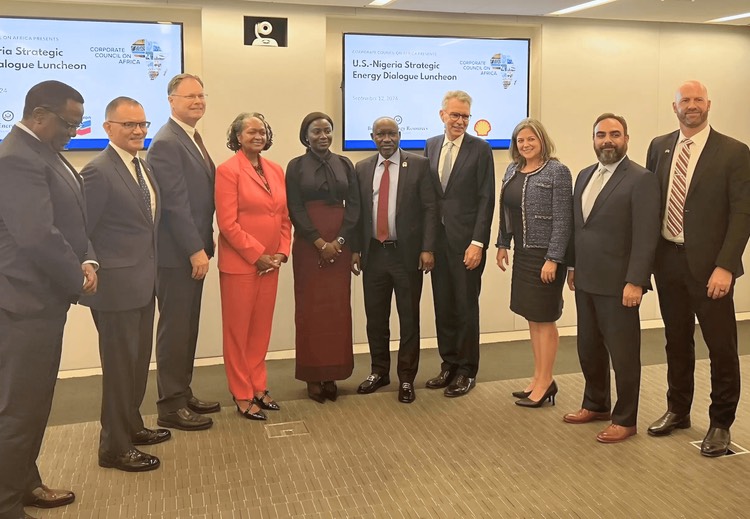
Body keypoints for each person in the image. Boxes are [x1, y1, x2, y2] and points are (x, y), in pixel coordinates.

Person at [0, 80, 97, 519]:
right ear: (40, 114)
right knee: (18, 409)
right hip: (24, 304)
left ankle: (26, 483)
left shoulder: (42, 151)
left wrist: (87, 259)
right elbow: (37, 235)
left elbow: (71, 217)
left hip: (40, 301)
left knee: (34, 403)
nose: (74, 133)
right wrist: (76, 276)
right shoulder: (17, 158)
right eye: (69, 124)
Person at [645, 81, 750, 457]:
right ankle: (678, 409)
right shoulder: (659, 147)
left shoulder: (735, 152)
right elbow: (651, 205)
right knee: (676, 340)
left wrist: (725, 266)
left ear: (709, 105)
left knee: (721, 346)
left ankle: (721, 423)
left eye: (698, 100)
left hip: (711, 268)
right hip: (668, 260)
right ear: (674, 106)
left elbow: (742, 214)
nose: (692, 106)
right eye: (684, 100)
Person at [80, 97, 168, 473]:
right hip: (115, 290)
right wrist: (89, 263)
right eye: (130, 125)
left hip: (145, 284)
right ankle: (113, 448)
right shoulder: (98, 171)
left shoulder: (141, 166)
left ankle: (131, 427)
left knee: (135, 365)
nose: (138, 131)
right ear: (108, 128)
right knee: (118, 371)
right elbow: (82, 226)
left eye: (143, 124)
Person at [563, 113, 660, 443]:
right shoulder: (584, 175)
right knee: (588, 348)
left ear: (626, 139)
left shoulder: (641, 179)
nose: (607, 140)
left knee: (623, 354)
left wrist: (637, 280)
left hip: (620, 285)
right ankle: (596, 403)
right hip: (586, 279)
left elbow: (646, 236)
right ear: (593, 139)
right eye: (601, 134)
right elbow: (579, 227)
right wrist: (572, 266)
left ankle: (625, 418)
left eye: (614, 134)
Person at [147, 73, 219, 431]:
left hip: (193, 250)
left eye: (202, 95)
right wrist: (195, 249)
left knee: (188, 327)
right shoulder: (166, 142)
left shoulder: (190, 137)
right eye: (190, 96)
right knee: (175, 329)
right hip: (177, 256)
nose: (198, 101)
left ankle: (182, 392)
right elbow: (174, 205)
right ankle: (170, 406)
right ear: (171, 100)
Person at [351, 117, 437, 403]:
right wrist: (355, 250)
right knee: (376, 319)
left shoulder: (419, 165)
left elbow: (429, 209)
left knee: (408, 318)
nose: (386, 139)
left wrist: (427, 248)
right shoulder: (362, 168)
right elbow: (357, 213)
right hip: (373, 254)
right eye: (381, 134)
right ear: (372, 137)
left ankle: (407, 377)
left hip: (407, 255)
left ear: (400, 135)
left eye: (391, 133)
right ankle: (379, 371)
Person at [215, 112, 291, 420]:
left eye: (262, 131)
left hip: (271, 264)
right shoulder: (227, 171)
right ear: (237, 136)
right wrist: (257, 254)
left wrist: (281, 253)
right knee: (238, 332)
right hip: (241, 265)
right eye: (250, 132)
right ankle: (242, 393)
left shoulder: (275, 169)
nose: (257, 136)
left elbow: (284, 218)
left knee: (260, 331)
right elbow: (227, 223)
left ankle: (259, 385)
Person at [495, 118, 572, 407]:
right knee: (531, 316)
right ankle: (539, 377)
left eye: (531, 139)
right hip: (523, 253)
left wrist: (553, 258)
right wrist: (502, 243)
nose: (525, 144)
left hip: (545, 255)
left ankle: (547, 380)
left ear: (542, 141)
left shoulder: (557, 171)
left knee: (545, 318)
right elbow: (505, 211)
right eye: (520, 140)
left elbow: (564, 220)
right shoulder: (512, 170)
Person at [423, 90, 495, 397]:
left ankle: (467, 370)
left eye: (465, 116)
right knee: (443, 307)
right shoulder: (430, 145)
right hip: (437, 244)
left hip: (467, 244)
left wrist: (478, 242)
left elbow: (486, 199)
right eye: (454, 115)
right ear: (442, 115)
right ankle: (449, 364)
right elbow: (429, 197)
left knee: (466, 307)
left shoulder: (480, 149)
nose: (460, 121)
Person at [286, 112, 359, 403]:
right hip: (308, 244)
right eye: (316, 131)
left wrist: (341, 241)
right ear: (306, 135)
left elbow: (354, 205)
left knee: (337, 310)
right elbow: (294, 207)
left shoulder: (344, 164)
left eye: (327, 130)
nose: (323, 136)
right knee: (310, 311)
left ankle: (333, 374)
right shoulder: (295, 166)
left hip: (340, 244)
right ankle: (312, 375)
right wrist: (318, 241)